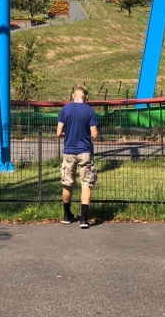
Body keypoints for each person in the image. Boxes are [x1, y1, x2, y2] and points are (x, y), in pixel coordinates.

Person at [56, 85, 98, 228]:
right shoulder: (89, 110)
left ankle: (67, 215)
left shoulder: (65, 109)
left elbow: (58, 132)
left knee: (67, 183)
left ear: (74, 95)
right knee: (86, 183)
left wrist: (68, 133)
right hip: (85, 151)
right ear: (85, 96)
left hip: (69, 151)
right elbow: (94, 134)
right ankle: (84, 219)